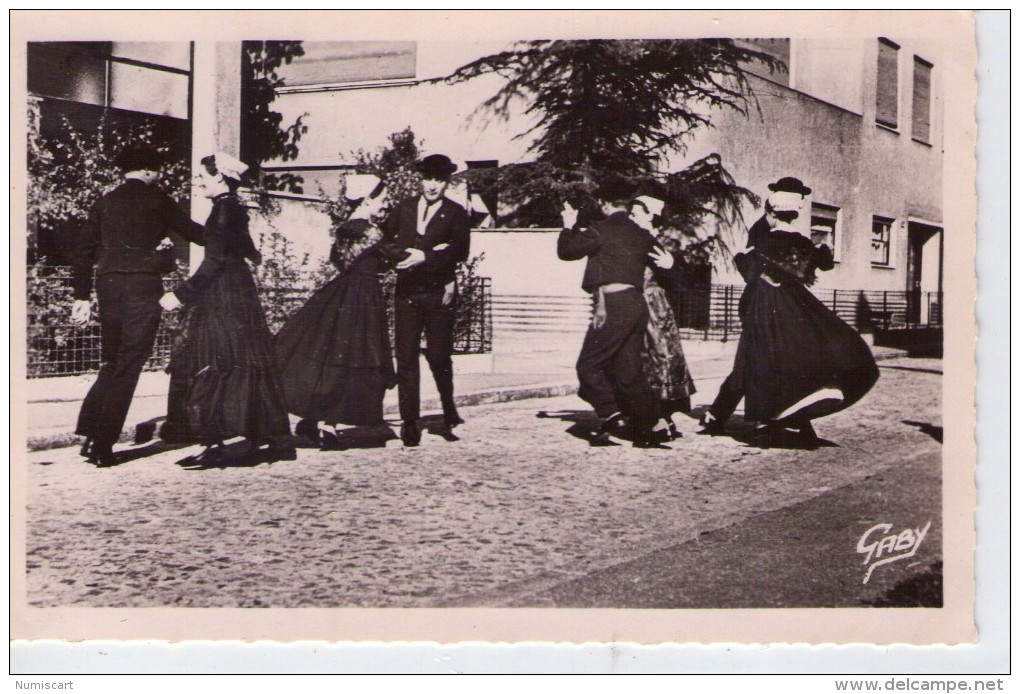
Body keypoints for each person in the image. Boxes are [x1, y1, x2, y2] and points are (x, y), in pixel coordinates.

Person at [719, 179, 880, 446]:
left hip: (764, 303)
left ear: (774, 209)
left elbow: (750, 273)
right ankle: (789, 417)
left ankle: (763, 421)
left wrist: (740, 256)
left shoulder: (764, 239)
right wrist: (821, 249)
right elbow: (821, 265)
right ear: (794, 210)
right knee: (797, 352)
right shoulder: (802, 241)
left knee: (764, 359)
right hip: (793, 303)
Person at [71, 146, 205, 467]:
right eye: (157, 169)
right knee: (130, 363)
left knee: (112, 360)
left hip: (108, 286)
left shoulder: (103, 202)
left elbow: (83, 252)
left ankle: (91, 434)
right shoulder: (158, 199)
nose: (158, 175)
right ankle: (104, 444)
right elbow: (194, 233)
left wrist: (81, 296)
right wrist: (229, 232)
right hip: (142, 287)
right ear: (146, 170)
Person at [160, 152, 294, 466]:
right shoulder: (233, 209)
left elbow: (213, 263)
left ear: (219, 177)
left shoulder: (221, 212)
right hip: (241, 295)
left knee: (214, 365)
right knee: (248, 363)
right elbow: (248, 251)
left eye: (203, 177)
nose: (198, 182)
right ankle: (273, 439)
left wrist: (179, 294)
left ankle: (216, 443)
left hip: (223, 299)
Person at [275, 175, 408, 450]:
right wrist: (429, 254)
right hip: (364, 298)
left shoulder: (345, 229)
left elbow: (337, 260)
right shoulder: (370, 231)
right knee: (359, 356)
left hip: (343, 293)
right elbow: (398, 255)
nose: (385, 205)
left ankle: (318, 420)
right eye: (381, 199)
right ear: (368, 199)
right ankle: (332, 425)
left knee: (334, 359)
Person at [557, 177, 664, 448]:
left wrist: (568, 225)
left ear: (604, 203)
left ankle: (612, 415)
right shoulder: (642, 234)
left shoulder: (600, 229)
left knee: (588, 367)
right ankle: (651, 426)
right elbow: (664, 263)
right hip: (637, 305)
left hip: (614, 305)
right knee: (629, 373)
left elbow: (567, 252)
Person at [699, 176, 809, 435]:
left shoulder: (776, 229)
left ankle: (718, 415)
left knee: (763, 360)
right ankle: (774, 419)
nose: (803, 202)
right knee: (757, 361)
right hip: (762, 304)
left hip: (773, 304)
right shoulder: (763, 231)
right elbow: (754, 271)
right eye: (799, 196)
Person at [384, 154, 471, 447]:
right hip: (407, 293)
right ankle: (411, 422)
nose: (433, 186)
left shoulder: (456, 213)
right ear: (420, 179)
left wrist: (426, 255)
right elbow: (385, 240)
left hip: (437, 294)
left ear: (446, 182)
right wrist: (404, 256)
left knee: (438, 355)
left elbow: (460, 251)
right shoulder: (404, 208)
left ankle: (448, 407)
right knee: (406, 359)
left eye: (439, 180)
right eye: (428, 179)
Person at [628, 194, 696, 440]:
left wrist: (670, 267)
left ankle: (660, 417)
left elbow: (681, 283)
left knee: (659, 360)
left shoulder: (661, 243)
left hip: (654, 309)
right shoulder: (634, 239)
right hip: (638, 305)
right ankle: (651, 418)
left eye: (636, 214)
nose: (631, 218)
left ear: (651, 216)